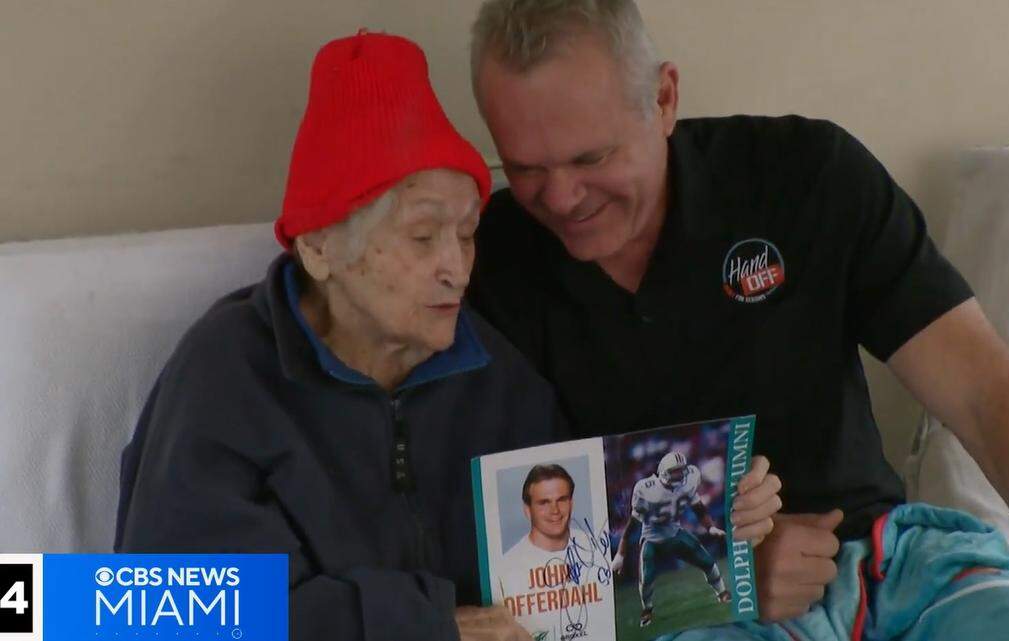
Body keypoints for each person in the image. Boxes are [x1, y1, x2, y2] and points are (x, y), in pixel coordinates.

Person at [465, 1, 1009, 639]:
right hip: (688, 612)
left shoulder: (804, 176)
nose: (560, 198)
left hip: (898, 566)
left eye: (592, 158)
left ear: (665, 98)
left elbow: (987, 395)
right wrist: (725, 575)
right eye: (524, 167)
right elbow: (518, 538)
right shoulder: (482, 263)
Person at [115, 30, 556, 641]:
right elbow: (173, 611)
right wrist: (425, 627)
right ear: (318, 247)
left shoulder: (499, 379)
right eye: (424, 237)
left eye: (468, 232)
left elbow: (567, 573)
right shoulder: (227, 377)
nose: (457, 266)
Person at [612, 452, 730, 628]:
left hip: (675, 533)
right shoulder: (646, 489)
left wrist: (710, 527)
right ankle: (647, 609)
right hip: (652, 539)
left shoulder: (690, 479)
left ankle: (722, 592)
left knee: (707, 560)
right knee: (646, 578)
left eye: (681, 470)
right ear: (664, 472)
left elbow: (698, 506)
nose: (679, 475)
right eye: (674, 471)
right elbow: (632, 525)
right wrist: (620, 555)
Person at [498, 464, 593, 639]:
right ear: (527, 510)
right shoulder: (506, 569)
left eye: (562, 499)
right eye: (544, 503)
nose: (555, 510)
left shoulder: (593, 547)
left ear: (571, 503)